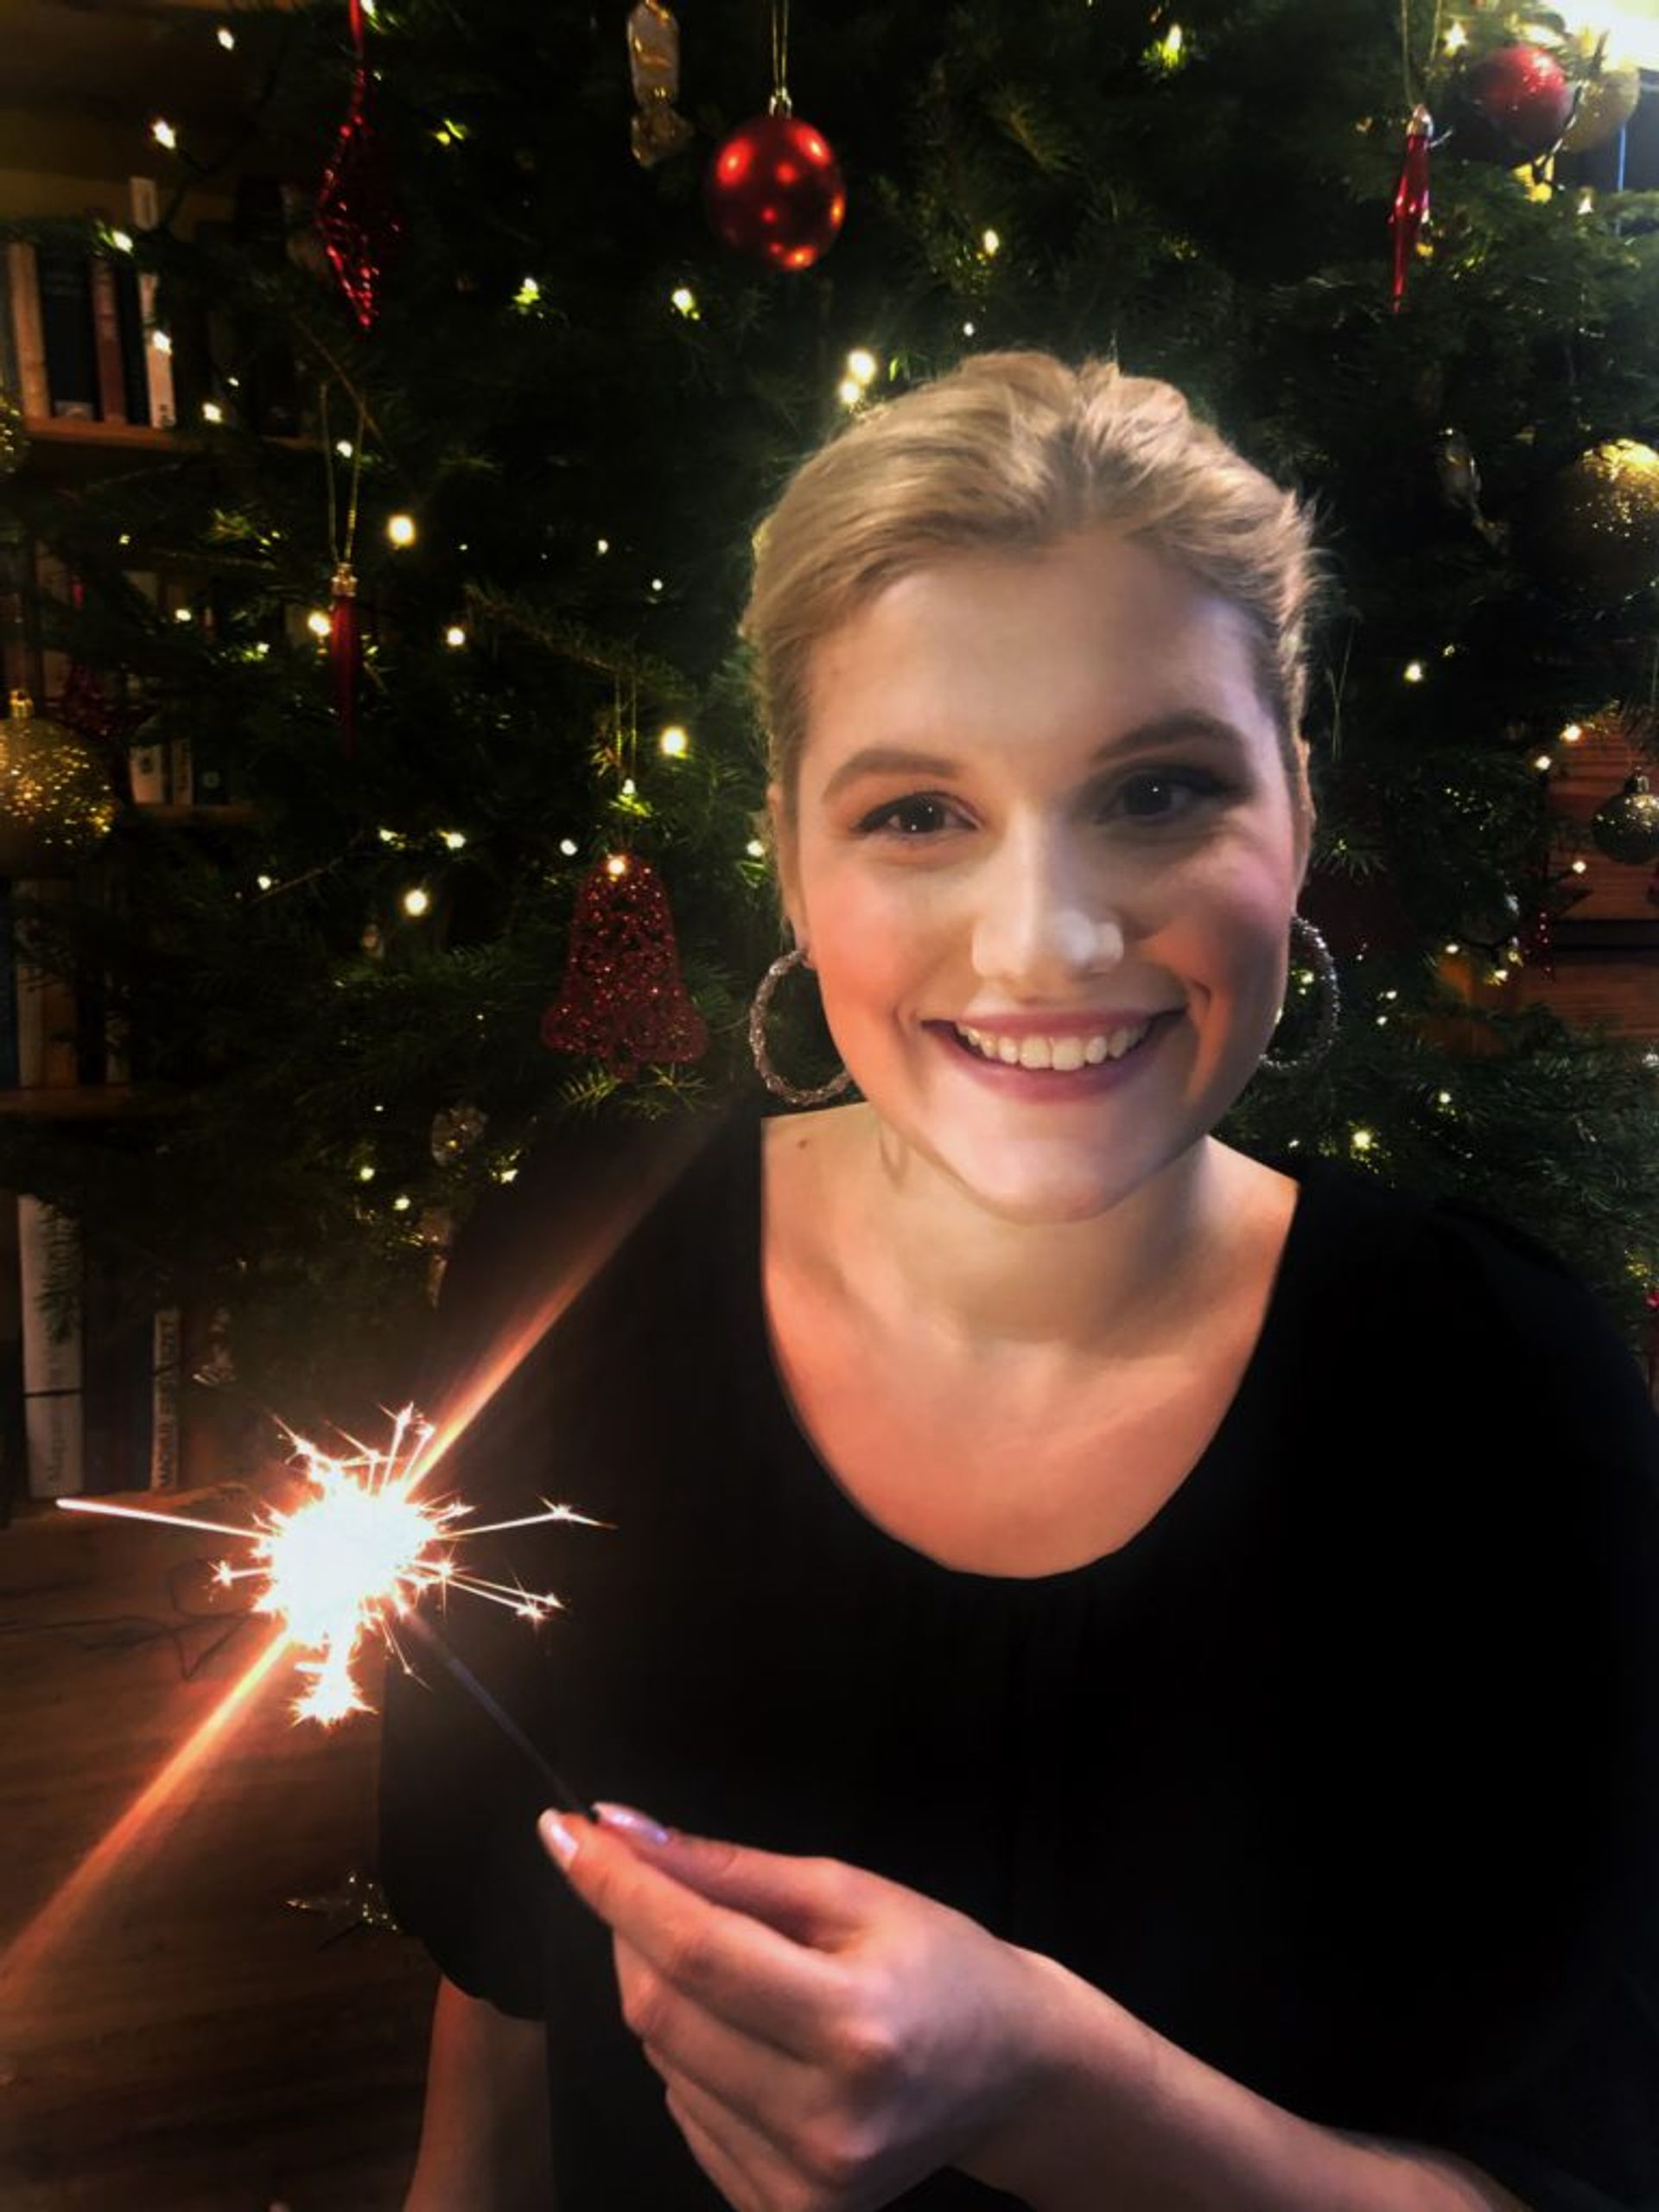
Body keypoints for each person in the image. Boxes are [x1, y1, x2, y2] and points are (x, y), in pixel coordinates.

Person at [379, 352, 1659, 2212]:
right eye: (916, 811)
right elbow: (496, 2009)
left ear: (1297, 809)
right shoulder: (568, 1278)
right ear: (794, 857)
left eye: (1156, 788)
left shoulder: (1498, 1393)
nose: (1047, 940)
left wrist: (1051, 2089)